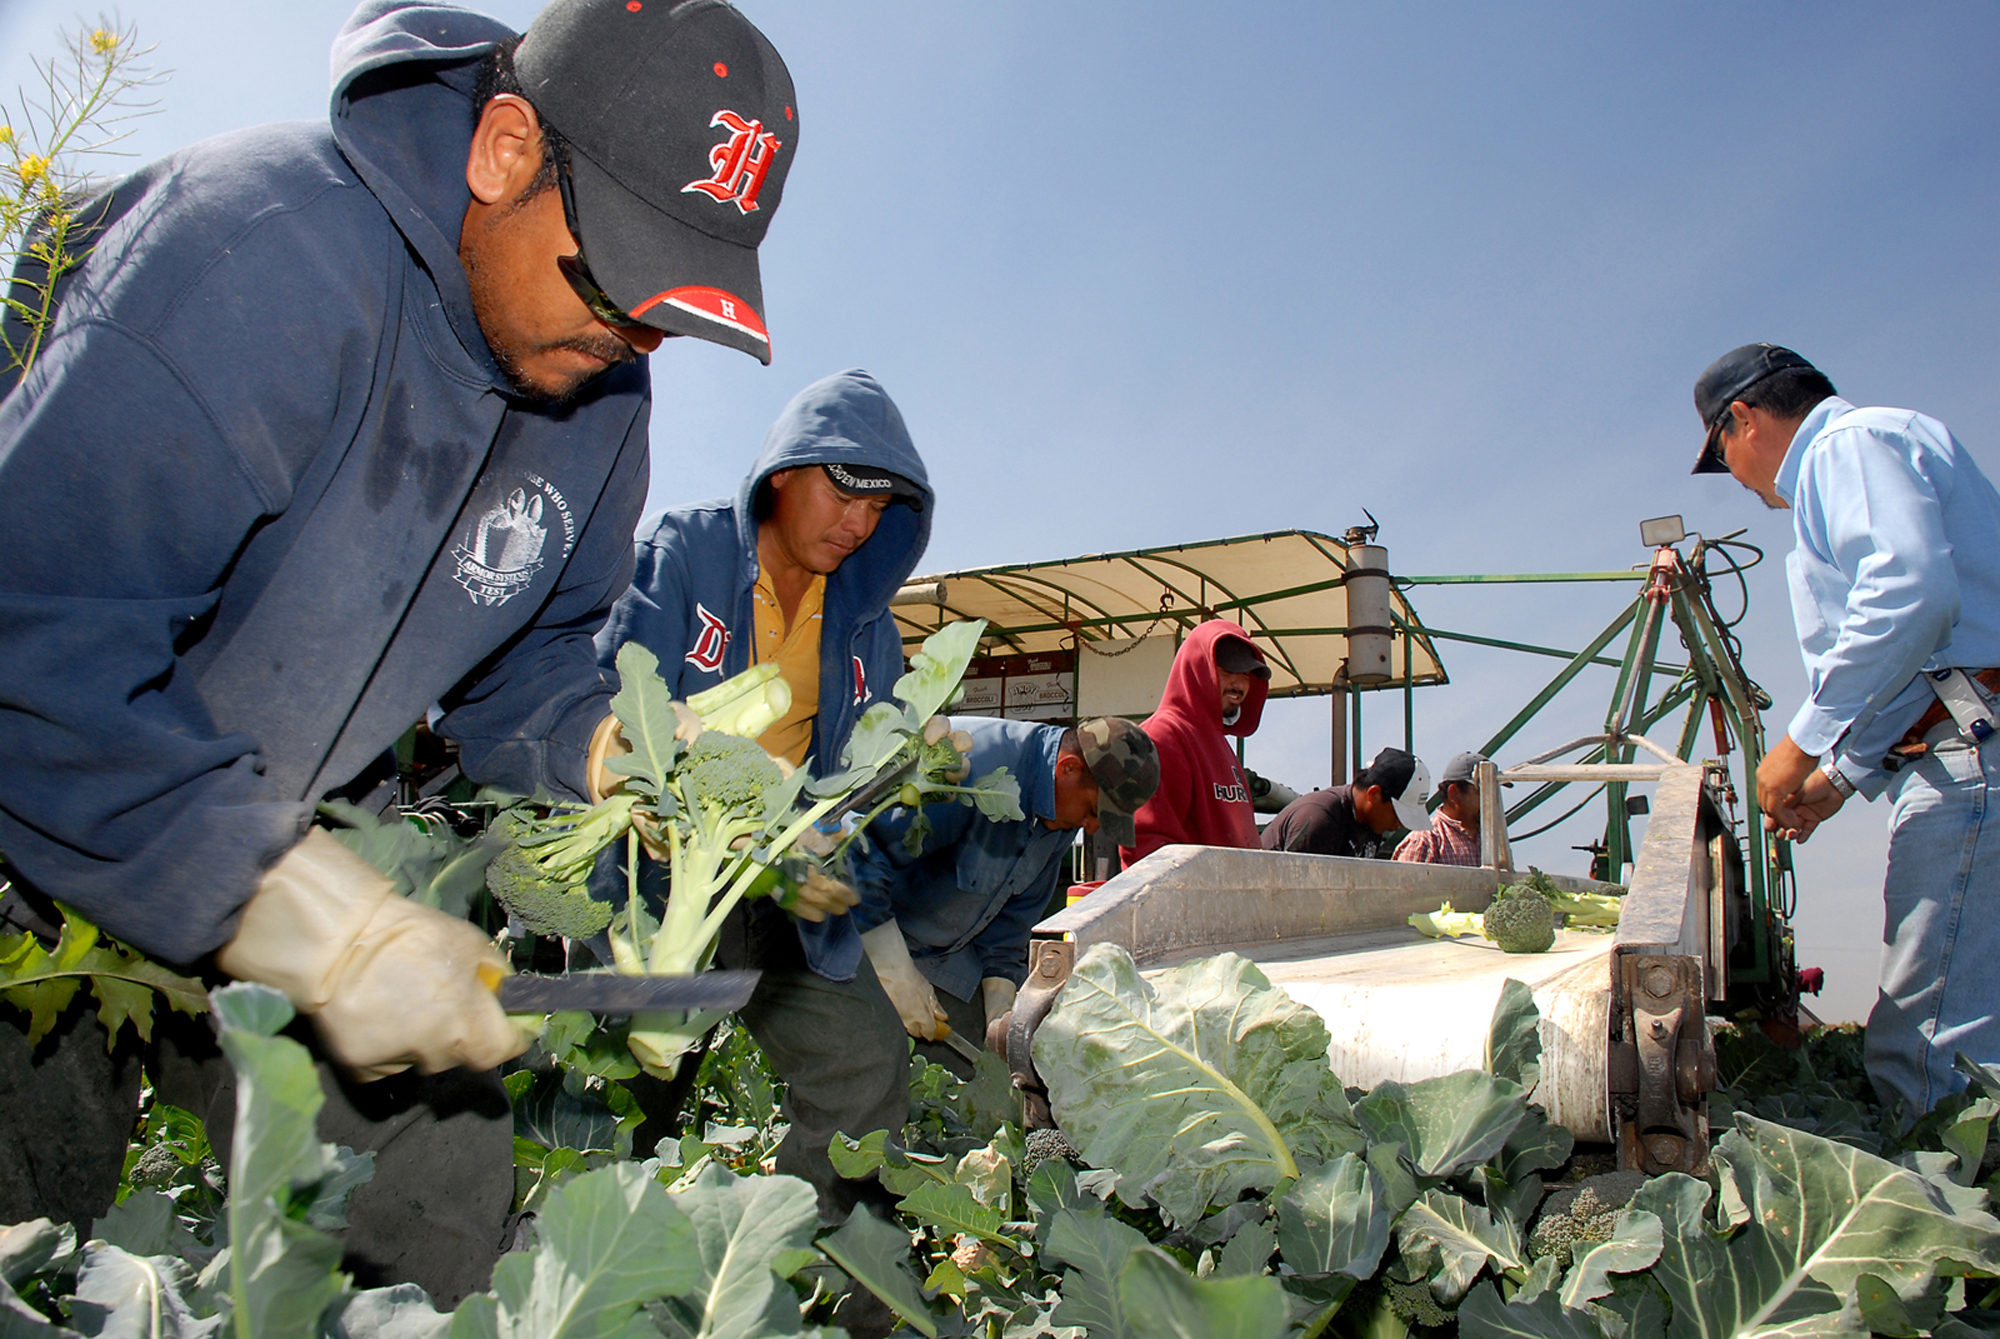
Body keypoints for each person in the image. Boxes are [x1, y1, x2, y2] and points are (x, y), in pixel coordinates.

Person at [0, 0, 800, 1300]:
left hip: (294, 840)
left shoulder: (598, 398)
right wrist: (295, 914)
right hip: (42, 848)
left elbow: (532, 663)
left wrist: (621, 755)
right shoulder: (254, 257)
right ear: (501, 148)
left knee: (441, 1166)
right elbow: (30, 648)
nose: (630, 341)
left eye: (668, 313)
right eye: (613, 285)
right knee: (33, 1236)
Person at [593, 368, 932, 1219]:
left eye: (879, 510)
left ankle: (812, 1276)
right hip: (662, 878)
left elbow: (860, 789)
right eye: (843, 494)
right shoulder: (686, 552)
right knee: (626, 1089)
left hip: (788, 888)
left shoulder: (869, 631)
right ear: (784, 472)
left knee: (866, 1064)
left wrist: (879, 930)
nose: (858, 525)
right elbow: (606, 707)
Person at [1689, 342, 2000, 1117]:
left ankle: (1951, 1225)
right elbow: (1918, 659)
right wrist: (1836, 780)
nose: (1732, 472)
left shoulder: (1842, 446)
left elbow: (1910, 594)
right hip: (1962, 736)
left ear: (1743, 418)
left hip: (1971, 760)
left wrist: (1798, 742)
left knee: (1927, 1052)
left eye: (1720, 451)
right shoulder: (1880, 448)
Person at [847, 716, 1160, 1073]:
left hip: (947, 957)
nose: (1091, 827)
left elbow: (1013, 917)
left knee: (966, 1077)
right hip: (855, 930)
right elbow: (856, 854)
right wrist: (893, 970)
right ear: (1068, 768)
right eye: (1093, 811)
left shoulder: (1058, 816)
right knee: (869, 1082)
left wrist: (1001, 1001)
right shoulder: (972, 772)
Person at [1120, 620, 1271, 867]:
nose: (1239, 683)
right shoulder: (1162, 735)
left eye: (1245, 674)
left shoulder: (1219, 744)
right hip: (1190, 902)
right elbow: (1146, 846)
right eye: (1226, 671)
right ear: (1198, 669)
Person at [1262, 747, 1433, 859]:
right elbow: (1293, 895)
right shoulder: (1320, 820)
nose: (1400, 824)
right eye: (1398, 814)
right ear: (1374, 794)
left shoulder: (1372, 822)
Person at [1393, 751, 1490, 866]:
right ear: (1454, 794)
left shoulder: (1491, 840)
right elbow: (1404, 883)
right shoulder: (1425, 841)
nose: (1490, 800)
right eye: (1483, 792)